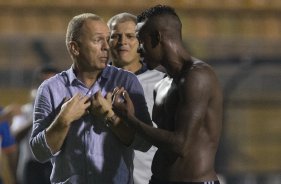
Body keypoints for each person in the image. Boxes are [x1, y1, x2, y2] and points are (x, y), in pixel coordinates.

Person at [101, 5, 223, 184]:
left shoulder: (198, 76)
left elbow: (181, 145)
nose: (138, 50)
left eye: (140, 40)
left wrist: (130, 119)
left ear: (157, 37)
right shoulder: (163, 83)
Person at [29, 13, 152, 184]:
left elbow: (145, 143)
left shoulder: (127, 82)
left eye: (107, 39)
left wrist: (111, 117)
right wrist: (63, 120)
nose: (106, 47)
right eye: (97, 40)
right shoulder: (50, 89)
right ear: (75, 48)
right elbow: (39, 153)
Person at [107, 12, 165, 184]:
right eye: (115, 36)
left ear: (140, 41)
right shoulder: (94, 82)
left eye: (129, 36)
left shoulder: (161, 83)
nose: (122, 41)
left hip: (148, 178)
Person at [11, 65, 59, 184]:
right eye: (43, 84)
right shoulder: (26, 111)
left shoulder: (65, 110)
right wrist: (35, 117)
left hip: (56, 163)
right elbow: (15, 136)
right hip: (32, 166)